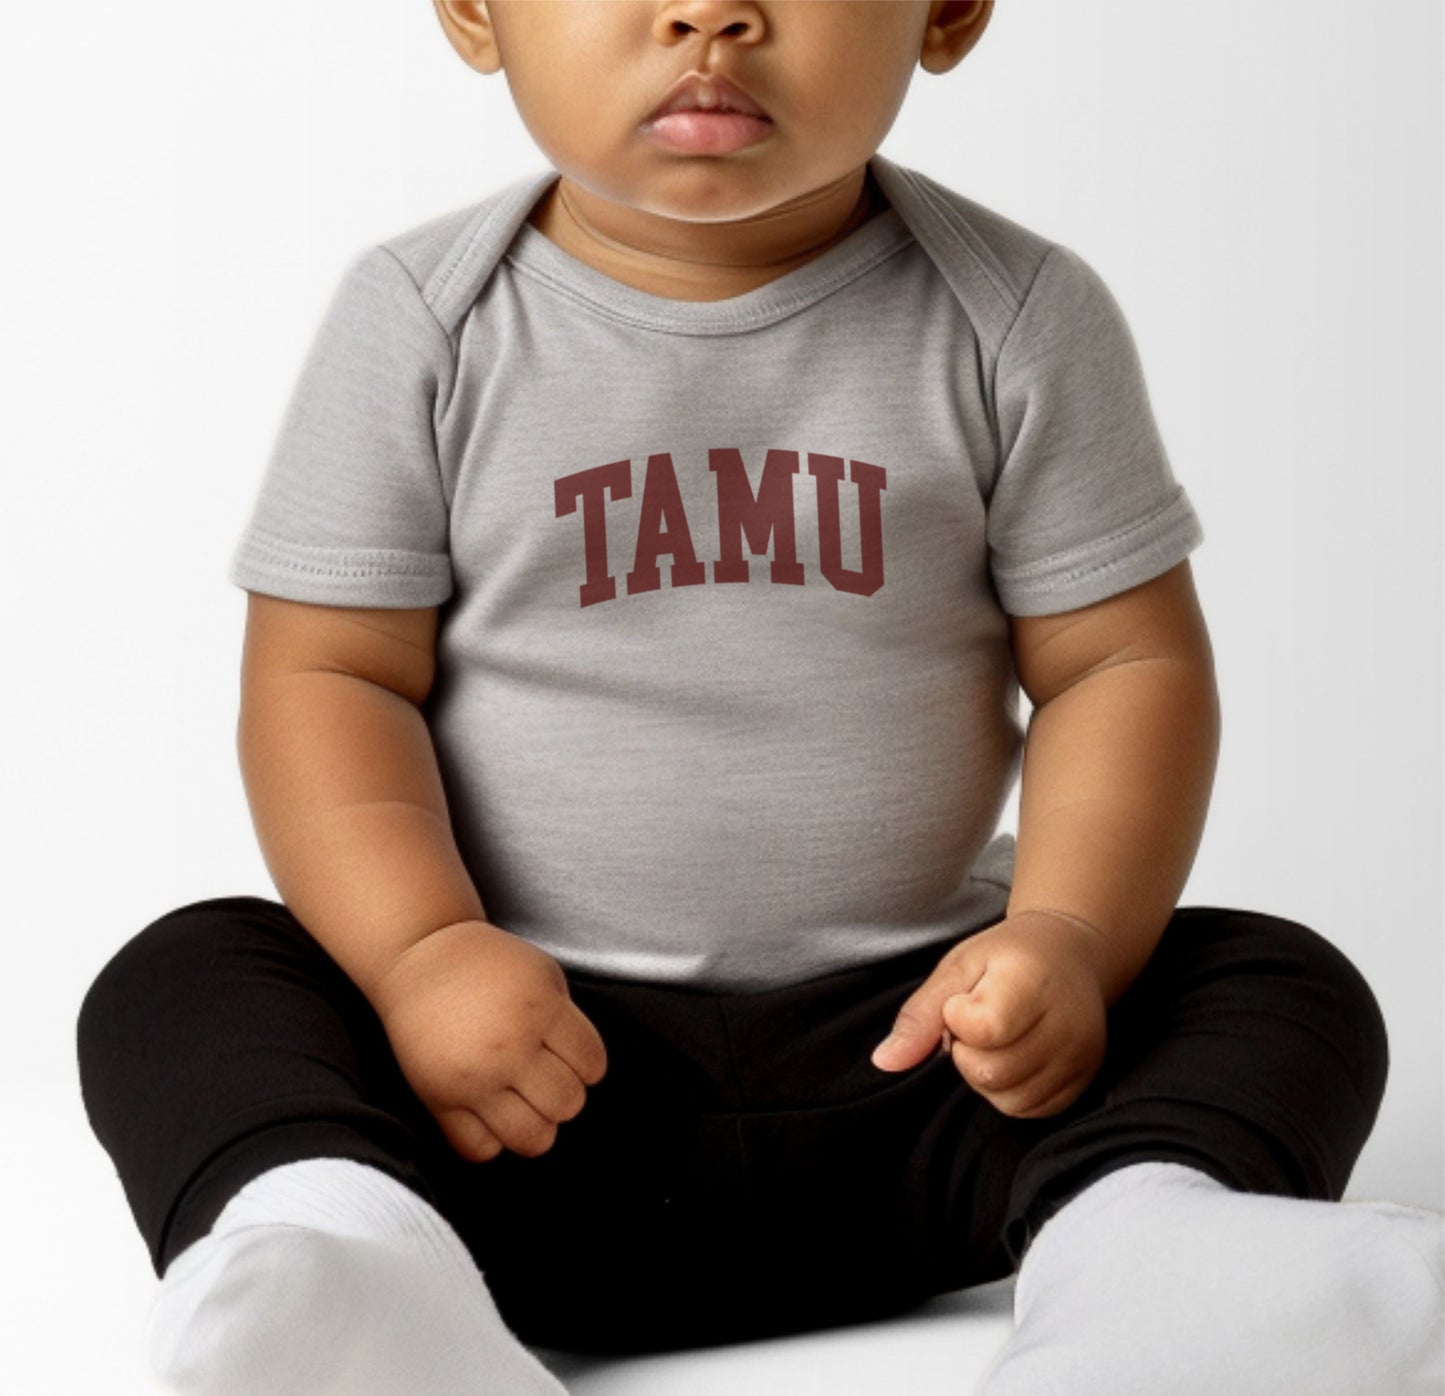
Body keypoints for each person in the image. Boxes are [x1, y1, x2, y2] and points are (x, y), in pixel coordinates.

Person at [76, 3, 1445, 1394]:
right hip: (522, 1102)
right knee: (187, 976)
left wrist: (1070, 942)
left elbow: (1116, 662)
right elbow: (330, 674)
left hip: (928, 1078)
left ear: (948, 13)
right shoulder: (423, 322)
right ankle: (358, 1271)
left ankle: (1145, 1264)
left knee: (1273, 978)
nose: (707, 13)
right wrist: (422, 953)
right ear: (477, 13)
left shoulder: (1013, 315)